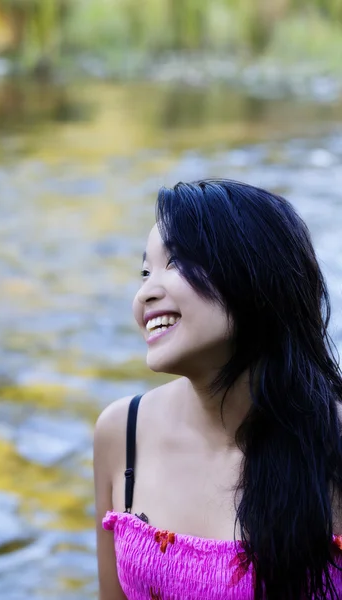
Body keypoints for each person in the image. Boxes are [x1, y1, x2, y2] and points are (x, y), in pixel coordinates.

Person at [93, 179, 342, 600]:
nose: (146, 292)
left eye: (175, 263)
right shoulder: (122, 431)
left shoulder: (334, 437)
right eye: (145, 271)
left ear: (255, 274)